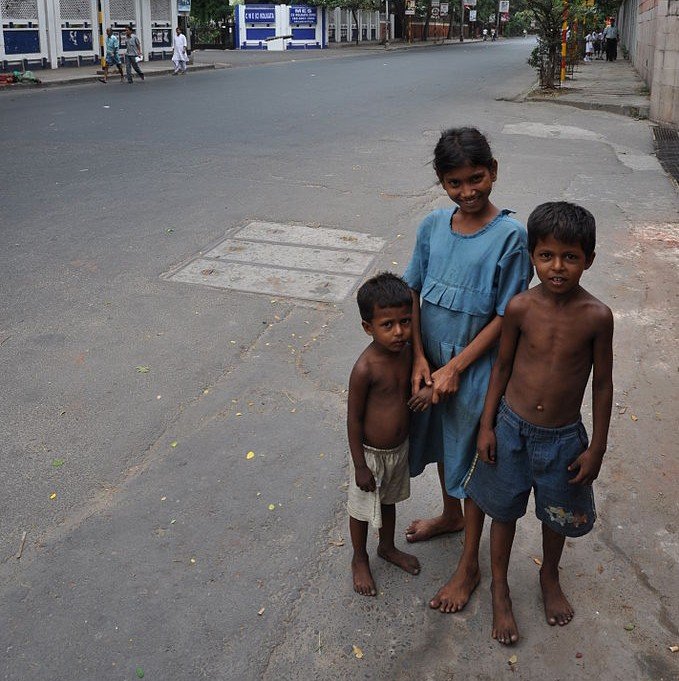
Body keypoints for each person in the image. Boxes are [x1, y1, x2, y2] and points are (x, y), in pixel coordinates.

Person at [465, 202, 614, 645]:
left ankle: (549, 576)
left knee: (557, 515)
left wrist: (598, 447)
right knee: (503, 511)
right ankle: (500, 588)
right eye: (546, 255)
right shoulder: (520, 308)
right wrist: (487, 425)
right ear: (532, 255)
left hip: (564, 439)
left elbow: (602, 385)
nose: (558, 267)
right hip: (510, 428)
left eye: (571, 257)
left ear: (589, 258)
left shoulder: (596, 317)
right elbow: (502, 367)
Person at [402, 127, 533, 613]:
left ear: (493, 172)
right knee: (440, 444)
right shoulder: (433, 226)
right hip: (430, 364)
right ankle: (449, 515)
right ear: (442, 183)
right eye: (455, 183)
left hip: (477, 370)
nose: (468, 191)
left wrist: (456, 366)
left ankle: (470, 565)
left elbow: (506, 316)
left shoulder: (511, 237)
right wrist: (420, 358)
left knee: (472, 460)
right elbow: (412, 292)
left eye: (477, 178)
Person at [347, 272, 431, 596]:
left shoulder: (409, 352)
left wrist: (427, 392)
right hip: (370, 454)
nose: (399, 332)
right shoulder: (365, 368)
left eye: (405, 322)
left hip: (398, 450)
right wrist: (359, 465)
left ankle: (387, 547)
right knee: (361, 510)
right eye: (387, 325)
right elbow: (353, 419)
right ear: (368, 327)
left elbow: (424, 379)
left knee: (389, 502)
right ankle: (359, 556)